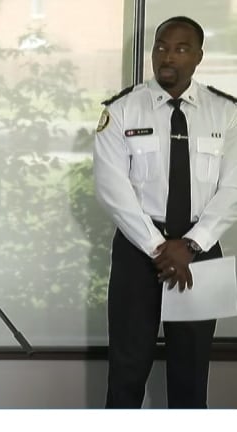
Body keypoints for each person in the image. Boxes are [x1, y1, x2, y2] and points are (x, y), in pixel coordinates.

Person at [93, 16, 237, 408]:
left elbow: (233, 189)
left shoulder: (226, 113)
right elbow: (112, 188)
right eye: (160, 47)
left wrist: (190, 244)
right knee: (126, 369)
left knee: (191, 374)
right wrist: (160, 247)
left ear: (198, 57)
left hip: (200, 252)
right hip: (139, 252)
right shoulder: (122, 109)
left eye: (180, 48)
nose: (167, 56)